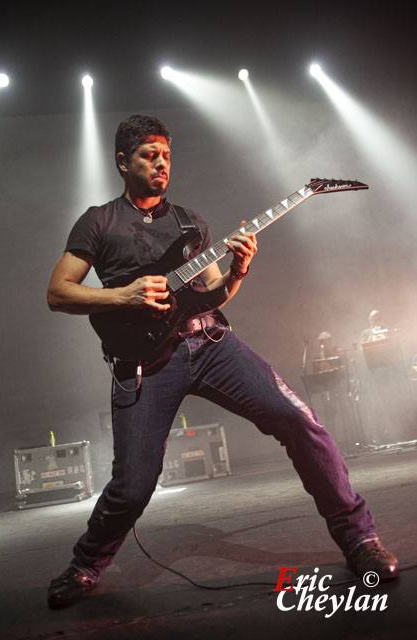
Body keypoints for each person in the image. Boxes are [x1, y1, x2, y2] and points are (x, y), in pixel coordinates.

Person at [46, 114, 398, 608]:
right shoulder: (99, 221)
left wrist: (237, 271)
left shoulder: (190, 221)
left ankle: (359, 539)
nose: (161, 163)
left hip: (210, 344)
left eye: (166, 154)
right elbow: (58, 293)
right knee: (133, 485)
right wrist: (124, 295)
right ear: (123, 162)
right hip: (145, 364)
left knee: (300, 420)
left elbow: (212, 295)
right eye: (150, 155)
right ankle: (86, 565)